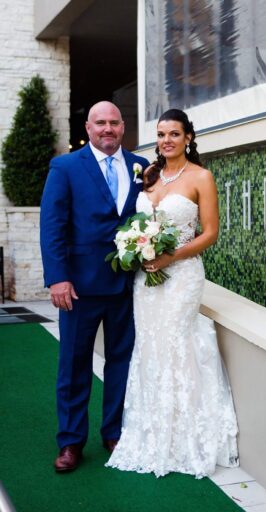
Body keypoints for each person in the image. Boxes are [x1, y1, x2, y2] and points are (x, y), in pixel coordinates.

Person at [106, 108, 238, 478]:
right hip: (146, 280)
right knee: (149, 347)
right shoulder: (148, 175)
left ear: (188, 137)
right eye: (161, 134)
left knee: (176, 345)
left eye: (174, 134)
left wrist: (171, 256)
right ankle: (151, 431)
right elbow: (138, 224)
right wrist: (137, 248)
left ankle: (183, 437)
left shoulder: (201, 177)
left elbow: (210, 233)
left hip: (182, 277)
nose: (166, 140)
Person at [40, 101, 149, 472]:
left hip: (127, 286)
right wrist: (58, 277)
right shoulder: (66, 167)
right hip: (78, 288)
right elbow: (52, 226)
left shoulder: (140, 166)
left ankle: (114, 433)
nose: (108, 128)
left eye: (114, 122)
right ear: (88, 128)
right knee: (74, 365)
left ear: (123, 127)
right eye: (100, 122)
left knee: (122, 362)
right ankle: (71, 442)